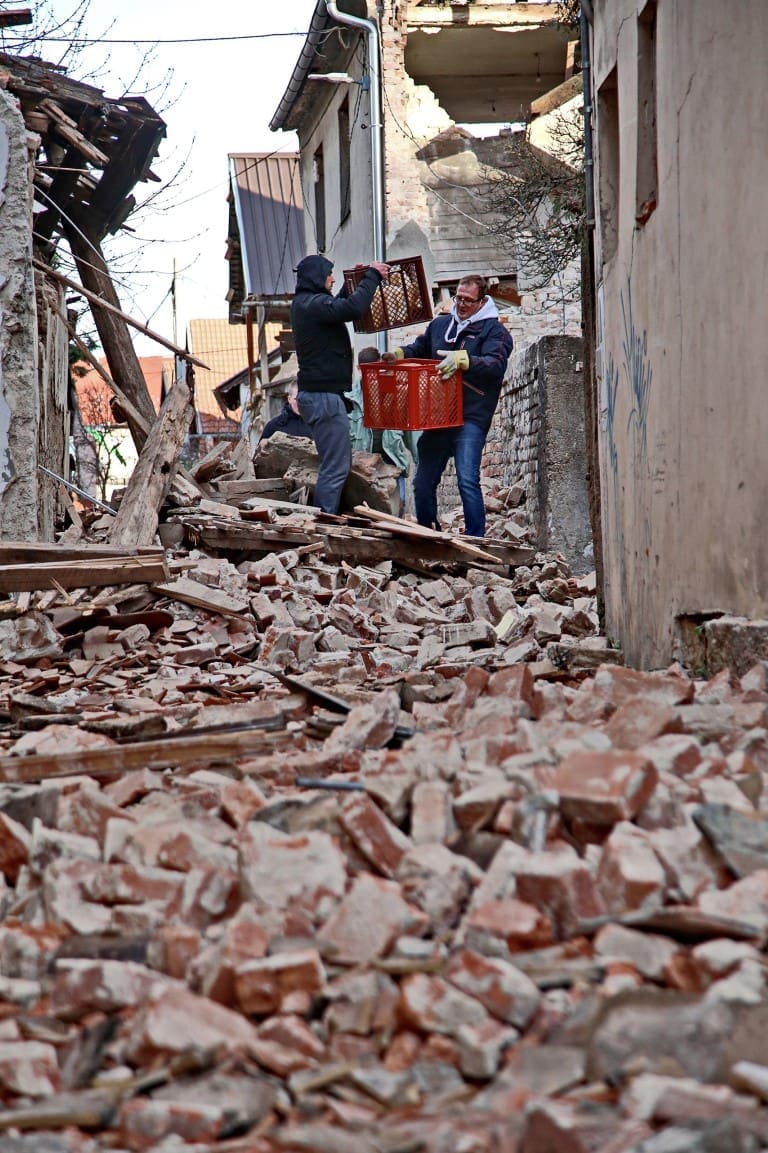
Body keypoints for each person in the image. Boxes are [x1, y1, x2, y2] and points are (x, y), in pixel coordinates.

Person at [384, 274, 512, 538]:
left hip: (471, 416)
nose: (461, 304)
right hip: (439, 415)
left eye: (468, 300)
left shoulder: (495, 332)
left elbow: (495, 364)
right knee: (422, 482)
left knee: (467, 480)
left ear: (482, 301)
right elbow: (420, 348)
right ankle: (428, 532)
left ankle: (476, 537)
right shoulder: (441, 325)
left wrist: (466, 360)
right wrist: (399, 354)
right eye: (458, 298)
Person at [291, 254, 390, 514]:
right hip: (323, 398)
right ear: (316, 277)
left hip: (321, 396)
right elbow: (352, 309)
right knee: (335, 467)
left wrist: (351, 284)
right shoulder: (311, 304)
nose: (332, 279)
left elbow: (336, 307)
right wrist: (372, 276)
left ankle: (324, 518)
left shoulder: (308, 304)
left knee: (335, 464)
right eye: (329, 274)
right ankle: (324, 521)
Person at [347, 346, 419, 516]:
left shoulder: (396, 395)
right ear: (359, 369)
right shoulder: (349, 400)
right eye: (370, 371)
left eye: (379, 369)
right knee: (364, 513)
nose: (375, 375)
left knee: (396, 511)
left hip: (391, 462)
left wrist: (420, 463)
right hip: (362, 468)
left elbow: (410, 436)